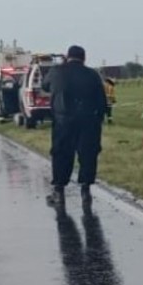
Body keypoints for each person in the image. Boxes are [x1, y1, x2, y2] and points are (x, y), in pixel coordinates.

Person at [42, 45, 108, 208]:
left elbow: (45, 85)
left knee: (61, 154)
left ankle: (59, 191)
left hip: (63, 120)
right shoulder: (92, 74)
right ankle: (86, 190)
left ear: (67, 56)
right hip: (88, 120)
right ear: (84, 58)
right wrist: (98, 119)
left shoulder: (56, 71)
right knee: (88, 154)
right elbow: (102, 100)